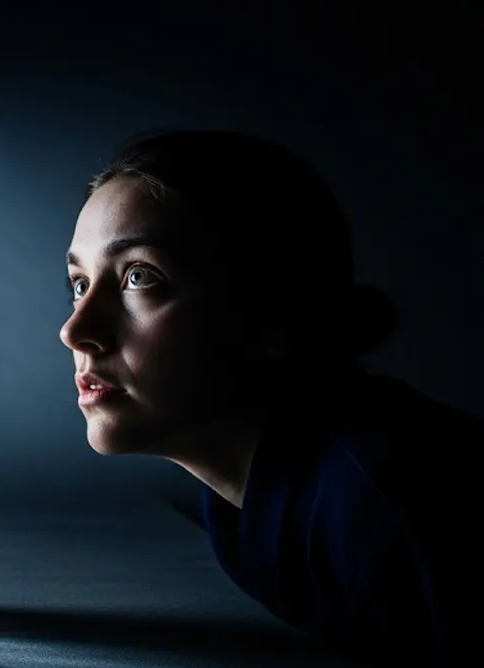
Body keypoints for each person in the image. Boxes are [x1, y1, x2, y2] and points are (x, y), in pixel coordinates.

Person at [58, 130, 470, 666]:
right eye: (79, 283)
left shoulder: (389, 515)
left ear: (279, 314)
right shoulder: (239, 509)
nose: (75, 330)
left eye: (140, 276)